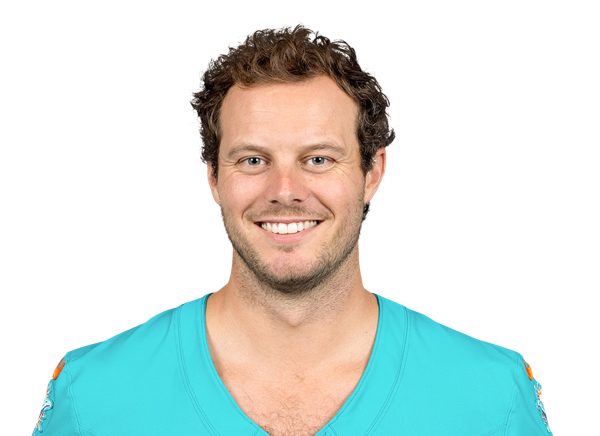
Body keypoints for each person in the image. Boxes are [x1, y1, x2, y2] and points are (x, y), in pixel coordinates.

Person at [32, 22, 552, 436]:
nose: (285, 190)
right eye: (253, 160)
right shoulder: (92, 394)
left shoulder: (493, 397)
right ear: (213, 177)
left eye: (318, 159)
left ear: (373, 173)